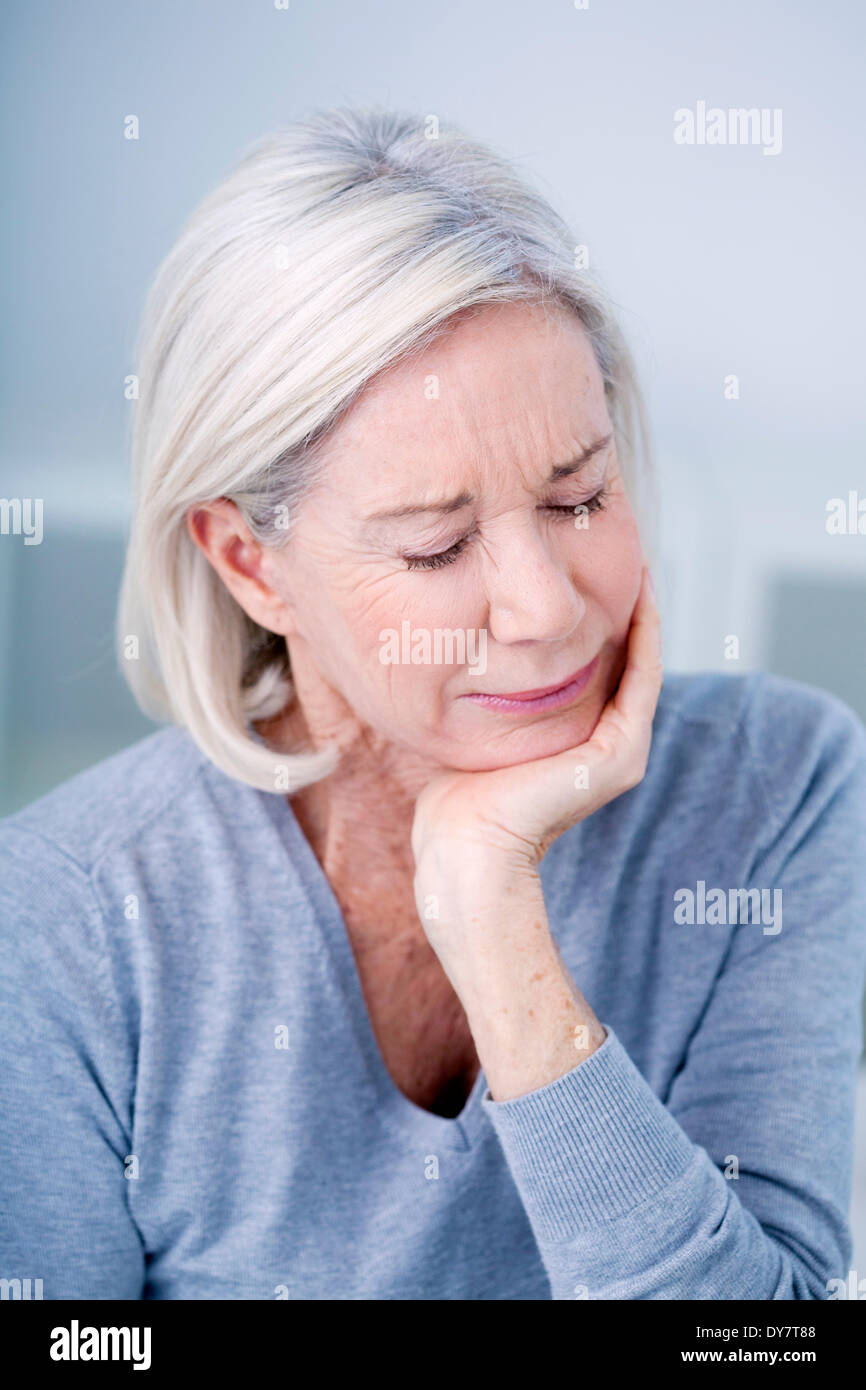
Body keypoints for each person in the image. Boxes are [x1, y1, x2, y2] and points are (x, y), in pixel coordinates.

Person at [1, 106, 865, 1300]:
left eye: (577, 498)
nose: (544, 609)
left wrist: (492, 916)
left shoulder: (777, 783)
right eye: (435, 543)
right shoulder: (62, 924)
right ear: (249, 563)